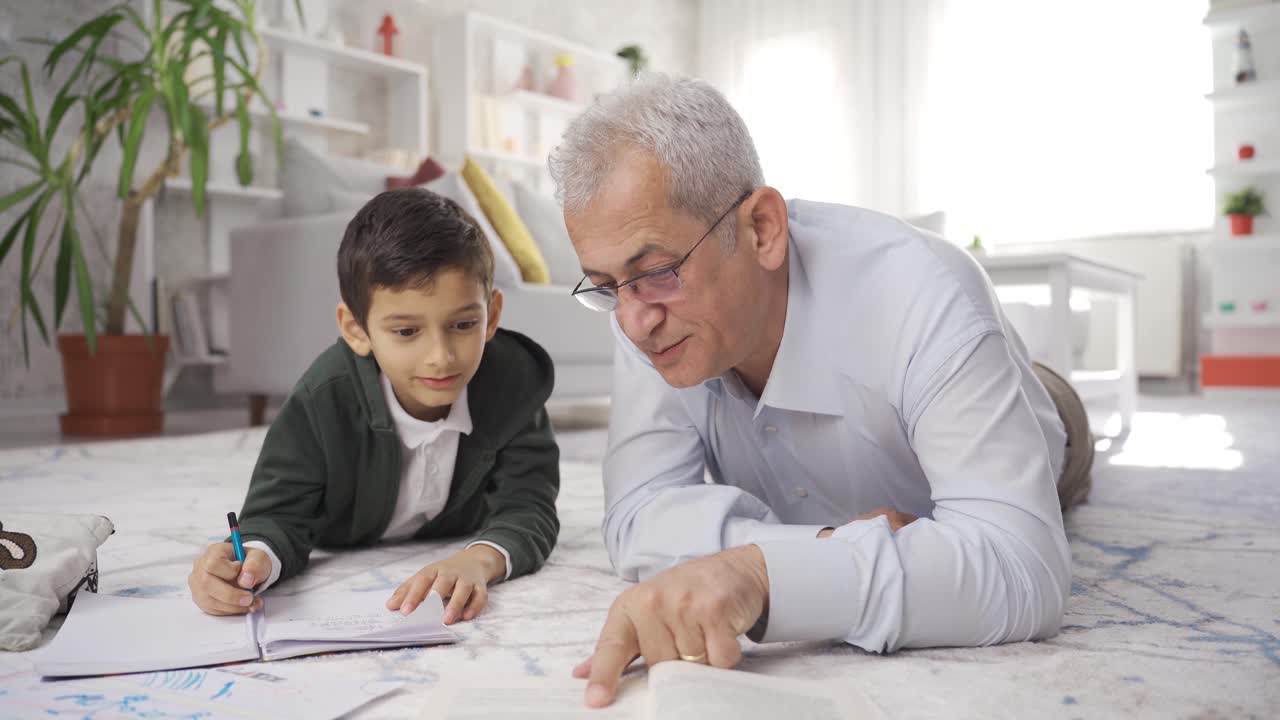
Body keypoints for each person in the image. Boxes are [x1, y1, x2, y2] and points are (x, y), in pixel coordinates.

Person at [547, 74, 1093, 708]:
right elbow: (637, 517)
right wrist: (824, 550)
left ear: (761, 229)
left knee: (1051, 415)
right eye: (607, 286)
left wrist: (762, 575)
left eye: (658, 272)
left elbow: (1023, 569)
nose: (633, 321)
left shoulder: (922, 292)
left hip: (1043, 418)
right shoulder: (643, 310)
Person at [187, 187, 560, 625]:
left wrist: (478, 560)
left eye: (463, 324)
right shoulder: (323, 397)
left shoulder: (515, 381)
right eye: (406, 332)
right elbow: (276, 515)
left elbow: (529, 506)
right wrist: (250, 564)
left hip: (459, 530)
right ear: (357, 329)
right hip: (341, 536)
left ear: (492, 315)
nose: (441, 356)